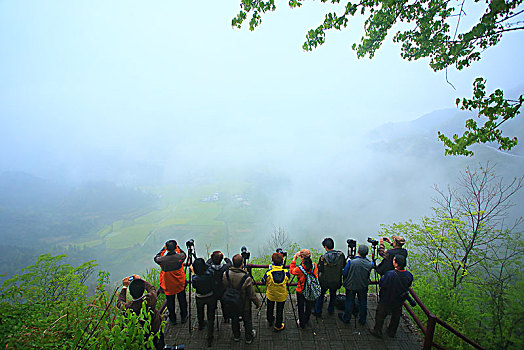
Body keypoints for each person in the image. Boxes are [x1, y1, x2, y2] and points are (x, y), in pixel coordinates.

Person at [370, 255, 414, 338]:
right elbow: (407, 285)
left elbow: (382, 284)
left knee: (380, 315)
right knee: (396, 316)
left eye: (394, 260)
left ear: (396, 264)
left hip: (387, 299)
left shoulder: (390, 274)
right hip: (399, 300)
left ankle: (377, 331)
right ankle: (392, 332)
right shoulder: (409, 275)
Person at [222, 254, 261, 343]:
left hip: (231, 302)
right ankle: (248, 337)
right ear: (242, 264)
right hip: (244, 304)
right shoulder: (246, 278)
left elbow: (224, 287)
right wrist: (257, 303)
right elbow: (251, 294)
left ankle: (236, 336)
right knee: (247, 320)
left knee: (234, 319)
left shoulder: (226, 274)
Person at [117, 274, 164, 350]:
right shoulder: (150, 299)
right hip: (155, 327)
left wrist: (124, 287)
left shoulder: (128, 307)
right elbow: (152, 289)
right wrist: (141, 281)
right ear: (143, 291)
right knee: (160, 343)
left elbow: (120, 302)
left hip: (142, 334)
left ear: (131, 293)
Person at [154, 240, 188, 325]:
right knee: (182, 300)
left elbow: (156, 257)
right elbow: (184, 254)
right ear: (175, 247)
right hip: (179, 282)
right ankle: (184, 316)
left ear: (167, 248)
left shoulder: (162, 260)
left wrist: (163, 250)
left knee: (170, 302)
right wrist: (178, 248)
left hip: (168, 284)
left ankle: (173, 319)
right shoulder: (180, 257)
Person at [338, 244, 372, 325]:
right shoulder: (370, 264)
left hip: (351, 285)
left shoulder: (351, 262)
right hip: (363, 285)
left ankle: (346, 318)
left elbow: (345, 273)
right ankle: (362, 320)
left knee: (349, 301)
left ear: (358, 251)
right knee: (363, 302)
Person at [314, 237, 346, 317]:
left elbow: (320, 269)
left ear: (325, 247)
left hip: (324, 281)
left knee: (320, 295)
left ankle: (318, 311)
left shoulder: (323, 258)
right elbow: (343, 265)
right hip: (336, 280)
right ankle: (331, 310)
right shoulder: (340, 255)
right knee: (333, 294)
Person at [261, 252, 290, 332]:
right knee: (280, 310)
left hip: (271, 295)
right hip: (281, 295)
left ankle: (270, 320)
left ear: (272, 261)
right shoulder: (286, 272)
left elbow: (263, 281)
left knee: (270, 308)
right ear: (282, 261)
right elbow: (288, 279)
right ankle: (278, 325)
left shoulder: (268, 273)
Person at [191, 258, 217, 347]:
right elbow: (209, 269)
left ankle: (201, 324)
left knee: (200, 311)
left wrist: (193, 273)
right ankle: (210, 336)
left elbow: (194, 286)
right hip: (210, 296)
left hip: (200, 297)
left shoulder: (195, 278)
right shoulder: (210, 273)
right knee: (211, 315)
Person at [290, 249, 318, 329]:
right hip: (310, 289)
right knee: (308, 305)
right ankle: (306, 318)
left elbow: (292, 271)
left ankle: (302, 323)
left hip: (301, 290)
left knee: (301, 307)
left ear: (302, 258)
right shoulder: (314, 266)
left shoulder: (299, 269)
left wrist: (294, 259)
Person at [206, 250, 232, 320]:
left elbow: (207, 263)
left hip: (213, 290)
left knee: (212, 306)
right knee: (224, 305)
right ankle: (226, 318)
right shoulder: (225, 267)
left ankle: (211, 320)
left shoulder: (209, 268)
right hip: (222, 290)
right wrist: (224, 257)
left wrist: (213, 257)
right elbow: (230, 263)